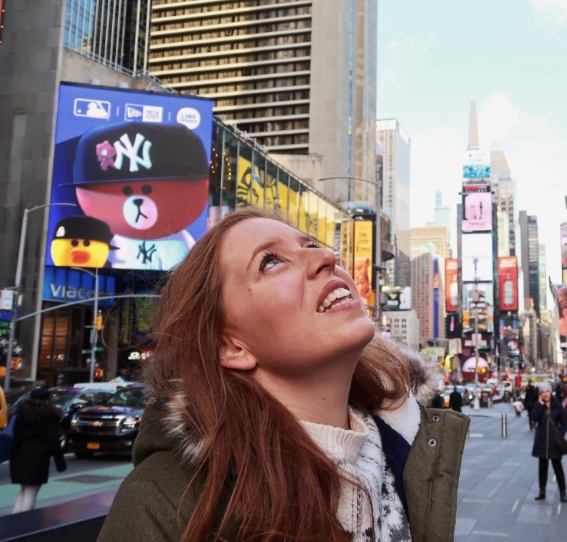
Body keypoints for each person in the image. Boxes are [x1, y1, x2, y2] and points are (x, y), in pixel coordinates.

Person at [98, 208, 470, 542]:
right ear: (232, 347)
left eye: (311, 244)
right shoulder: (162, 503)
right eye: (271, 261)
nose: (327, 256)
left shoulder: (411, 457)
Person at [10, 388, 66, 513]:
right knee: (31, 493)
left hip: (19, 455)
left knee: (24, 491)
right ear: (47, 399)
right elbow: (53, 441)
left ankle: (13, 523)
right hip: (37, 457)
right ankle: (25, 526)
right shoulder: (49, 416)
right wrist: (60, 463)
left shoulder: (20, 413)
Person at [529, 383, 567, 503]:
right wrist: (540, 405)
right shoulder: (538, 405)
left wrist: (559, 436)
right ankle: (542, 491)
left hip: (554, 442)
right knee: (542, 467)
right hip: (542, 441)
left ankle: (563, 492)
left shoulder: (558, 406)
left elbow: (564, 424)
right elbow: (533, 418)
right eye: (543, 392)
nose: (545, 394)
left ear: (551, 392)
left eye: (547, 391)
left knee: (558, 468)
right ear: (540, 394)